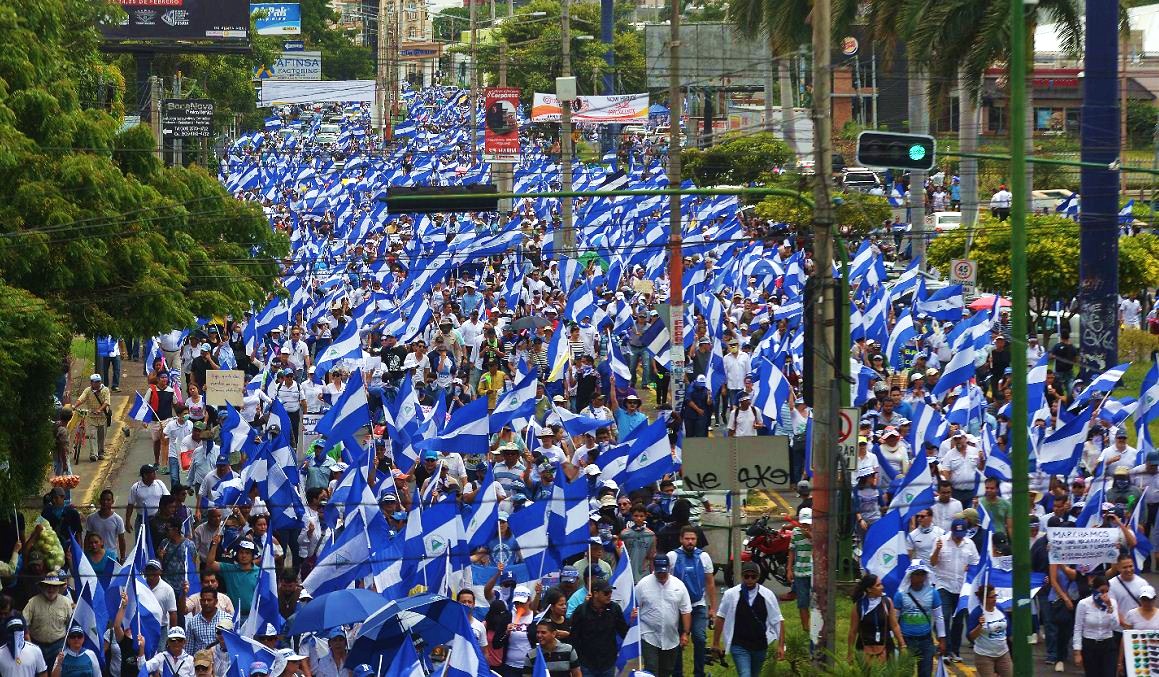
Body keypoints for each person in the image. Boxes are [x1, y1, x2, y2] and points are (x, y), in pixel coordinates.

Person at [711, 561, 784, 677]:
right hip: (739, 644)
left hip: (760, 645)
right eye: (746, 576)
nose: (750, 579)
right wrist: (715, 643)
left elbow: (778, 620)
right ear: (741, 577)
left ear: (758, 577)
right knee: (745, 674)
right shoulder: (731, 594)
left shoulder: (767, 595)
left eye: (753, 577)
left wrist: (780, 646)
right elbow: (721, 617)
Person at [666, 525, 716, 677]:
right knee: (677, 642)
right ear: (681, 539)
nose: (690, 542)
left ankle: (699, 673)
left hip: (697, 605)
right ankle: (677, 673)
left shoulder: (704, 557)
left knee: (700, 638)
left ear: (697, 540)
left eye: (693, 539)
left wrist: (713, 608)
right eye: (687, 538)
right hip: (677, 607)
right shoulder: (672, 556)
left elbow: (710, 582)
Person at [930, 518, 979, 663]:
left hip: (962, 587)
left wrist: (970, 568)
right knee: (944, 617)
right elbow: (932, 562)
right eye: (957, 534)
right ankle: (945, 649)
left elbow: (976, 563)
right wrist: (937, 550)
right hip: (943, 585)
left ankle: (955, 651)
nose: (959, 537)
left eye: (961, 534)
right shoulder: (941, 541)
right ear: (951, 531)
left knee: (958, 622)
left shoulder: (970, 544)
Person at [636, 554, 692, 677]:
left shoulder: (679, 585)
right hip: (648, 635)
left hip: (670, 637)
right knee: (651, 669)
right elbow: (635, 607)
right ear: (653, 569)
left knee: (667, 671)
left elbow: (686, 610)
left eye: (664, 573)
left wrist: (685, 633)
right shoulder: (642, 585)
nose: (661, 575)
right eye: (659, 573)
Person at [892, 561, 945, 677]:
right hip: (907, 640)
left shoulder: (933, 593)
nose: (920, 577)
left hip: (926, 641)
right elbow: (894, 619)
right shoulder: (900, 595)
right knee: (906, 672)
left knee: (925, 672)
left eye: (923, 574)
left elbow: (939, 617)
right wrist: (893, 639)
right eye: (917, 574)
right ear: (910, 576)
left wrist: (942, 639)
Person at [568, 578, 629, 677]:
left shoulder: (614, 609)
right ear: (595, 593)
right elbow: (574, 638)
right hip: (587, 663)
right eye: (606, 593)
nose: (610, 595)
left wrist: (633, 623)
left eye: (610, 592)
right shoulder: (581, 611)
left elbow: (624, 632)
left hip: (608, 663)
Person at [847, 573, 904, 664]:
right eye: (878, 585)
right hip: (864, 649)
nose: (882, 587)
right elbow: (853, 631)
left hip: (886, 648)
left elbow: (895, 626)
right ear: (869, 589)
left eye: (881, 584)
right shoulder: (859, 606)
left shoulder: (887, 602)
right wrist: (850, 653)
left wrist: (902, 644)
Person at [1072, 575, 1120, 675]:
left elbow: (1115, 626)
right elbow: (1078, 628)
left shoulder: (1112, 603)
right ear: (1094, 590)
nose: (1104, 594)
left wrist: (1109, 607)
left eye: (1107, 591)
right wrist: (1077, 652)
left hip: (1108, 645)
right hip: (1090, 645)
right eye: (1102, 591)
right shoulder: (1083, 604)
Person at [206, 537, 259, 625]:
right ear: (237, 554)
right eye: (241, 552)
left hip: (253, 617)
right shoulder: (229, 569)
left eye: (247, 553)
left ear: (252, 555)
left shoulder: (260, 572)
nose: (244, 555)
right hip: (232, 616)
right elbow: (210, 564)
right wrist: (215, 544)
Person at [23, 573, 71, 666]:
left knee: (57, 673)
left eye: (54, 586)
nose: (51, 589)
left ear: (59, 588)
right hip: (36, 645)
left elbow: (71, 626)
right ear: (42, 587)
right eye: (48, 586)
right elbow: (24, 624)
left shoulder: (66, 602)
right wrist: (30, 645)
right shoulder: (33, 602)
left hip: (58, 646)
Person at [968, 585, 1012, 677]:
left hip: (1003, 653)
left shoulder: (999, 608)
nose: (995, 599)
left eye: (995, 596)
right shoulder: (977, 613)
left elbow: (1008, 630)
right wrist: (980, 626)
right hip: (984, 656)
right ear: (984, 598)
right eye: (992, 597)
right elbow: (970, 636)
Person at [785, 507, 812, 629]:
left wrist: (810, 535)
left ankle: (815, 627)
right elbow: (792, 551)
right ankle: (806, 628)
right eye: (804, 523)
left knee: (816, 601)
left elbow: (821, 546)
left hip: (813, 572)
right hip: (800, 573)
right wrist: (789, 569)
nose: (805, 525)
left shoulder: (817, 531)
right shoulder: (795, 532)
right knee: (802, 602)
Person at [74, 374, 111, 462]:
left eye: (99, 381)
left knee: (101, 436)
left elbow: (107, 402)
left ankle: (101, 452)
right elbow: (81, 399)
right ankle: (94, 454)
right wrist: (74, 406)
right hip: (91, 416)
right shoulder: (88, 390)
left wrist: (99, 410)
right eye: (96, 382)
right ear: (91, 383)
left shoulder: (105, 390)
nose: (98, 384)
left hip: (102, 417)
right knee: (92, 435)